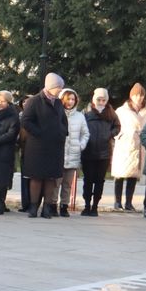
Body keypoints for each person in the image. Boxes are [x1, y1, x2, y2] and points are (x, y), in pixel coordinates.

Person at [20, 73, 69, 219]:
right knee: (36, 177)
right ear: (51, 86)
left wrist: (62, 133)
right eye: (59, 87)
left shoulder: (58, 102)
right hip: (37, 147)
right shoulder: (35, 101)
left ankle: (47, 208)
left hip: (55, 146)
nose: (60, 90)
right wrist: (39, 133)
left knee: (51, 178)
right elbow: (26, 121)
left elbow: (63, 121)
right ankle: (33, 207)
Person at [111, 83, 146, 211]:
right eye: (136, 95)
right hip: (125, 145)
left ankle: (129, 202)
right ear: (131, 96)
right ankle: (117, 202)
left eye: (141, 95)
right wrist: (121, 136)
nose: (139, 98)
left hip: (140, 146)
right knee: (120, 174)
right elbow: (114, 126)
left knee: (133, 176)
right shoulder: (121, 111)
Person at [80, 88, 120, 216]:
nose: (101, 102)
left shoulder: (111, 113)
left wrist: (109, 134)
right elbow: (80, 127)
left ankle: (95, 206)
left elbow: (117, 127)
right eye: (99, 99)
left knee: (99, 180)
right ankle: (87, 205)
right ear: (94, 99)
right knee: (88, 180)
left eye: (104, 100)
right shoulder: (86, 112)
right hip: (88, 151)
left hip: (104, 153)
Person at [56, 88, 90, 216]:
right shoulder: (56, 113)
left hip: (73, 154)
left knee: (67, 183)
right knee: (55, 182)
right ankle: (52, 204)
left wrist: (81, 145)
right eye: (68, 99)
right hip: (59, 153)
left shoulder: (80, 116)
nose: (70, 102)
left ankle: (64, 205)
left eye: (73, 99)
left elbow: (85, 133)